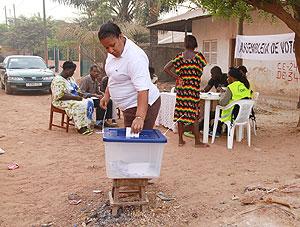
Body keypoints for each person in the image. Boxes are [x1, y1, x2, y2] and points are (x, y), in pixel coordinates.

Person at [98, 22, 161, 133]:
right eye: (106, 47)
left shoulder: (135, 57)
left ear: (120, 37)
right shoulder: (112, 52)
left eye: (112, 45)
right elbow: (113, 76)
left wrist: (140, 117)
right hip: (128, 108)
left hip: (143, 106)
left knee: (136, 144)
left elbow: (143, 90)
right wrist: (106, 96)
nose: (110, 50)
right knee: (130, 142)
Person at [163, 35, 209, 148]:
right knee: (194, 115)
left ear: (185, 44)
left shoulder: (179, 57)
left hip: (182, 90)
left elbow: (165, 68)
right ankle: (197, 142)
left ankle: (180, 140)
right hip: (193, 90)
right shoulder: (199, 57)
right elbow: (201, 69)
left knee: (180, 113)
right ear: (195, 44)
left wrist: (177, 77)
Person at [51, 61, 94, 135]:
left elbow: (77, 90)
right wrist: (76, 98)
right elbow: (60, 96)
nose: (73, 73)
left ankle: (87, 124)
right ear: (67, 69)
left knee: (89, 101)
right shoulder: (57, 80)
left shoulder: (70, 78)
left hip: (71, 98)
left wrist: (83, 95)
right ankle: (81, 127)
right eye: (72, 71)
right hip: (60, 101)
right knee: (79, 105)